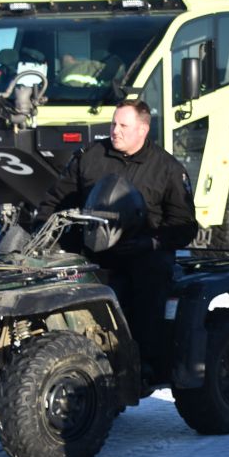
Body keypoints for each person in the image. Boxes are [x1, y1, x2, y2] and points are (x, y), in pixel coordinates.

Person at [36, 99, 198, 381]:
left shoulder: (167, 168)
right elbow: (55, 200)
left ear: (143, 129)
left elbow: (184, 225)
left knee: (151, 279)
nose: (115, 131)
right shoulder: (90, 156)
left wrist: (152, 242)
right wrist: (41, 232)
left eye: (124, 125)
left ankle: (144, 362)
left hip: (142, 252)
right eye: (113, 124)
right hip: (93, 250)